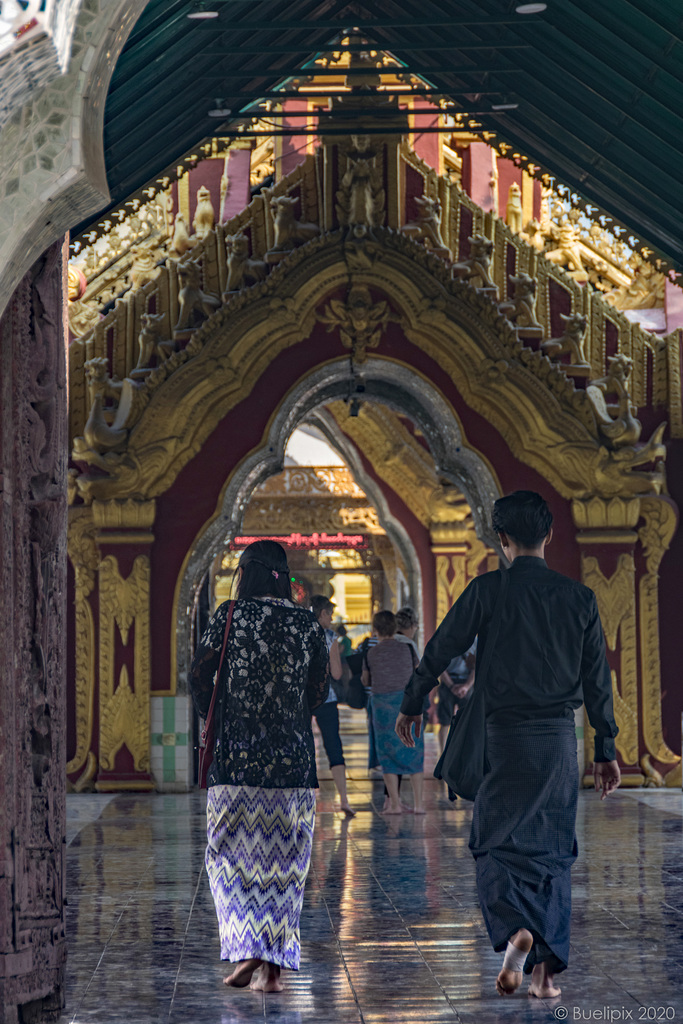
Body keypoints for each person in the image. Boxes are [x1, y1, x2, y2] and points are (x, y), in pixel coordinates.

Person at [396, 491, 620, 998]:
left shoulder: (488, 590)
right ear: (550, 535)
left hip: (503, 736)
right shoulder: (579, 598)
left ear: (501, 539)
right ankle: (544, 976)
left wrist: (413, 700)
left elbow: (440, 649)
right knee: (553, 849)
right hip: (560, 741)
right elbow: (597, 680)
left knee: (495, 842)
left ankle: (514, 929)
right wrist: (605, 748)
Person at [190, 540, 329, 993]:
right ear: (283, 577)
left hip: (236, 760)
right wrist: (290, 713)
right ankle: (272, 971)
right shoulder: (307, 622)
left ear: (245, 574)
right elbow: (319, 687)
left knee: (229, 858)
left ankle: (247, 946)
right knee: (287, 864)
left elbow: (199, 675)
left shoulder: (230, 615)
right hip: (292, 761)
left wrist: (217, 712)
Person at [363, 610, 425, 815]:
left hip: (382, 706)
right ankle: (418, 805)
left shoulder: (372, 652)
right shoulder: (407, 648)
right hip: (407, 703)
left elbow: (366, 680)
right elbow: (418, 673)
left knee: (387, 753)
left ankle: (395, 805)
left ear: (376, 629)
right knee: (414, 750)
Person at [311, 595, 355, 817]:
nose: (331, 618)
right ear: (323, 614)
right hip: (326, 698)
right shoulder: (330, 637)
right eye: (330, 613)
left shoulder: (299, 634)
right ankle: (344, 800)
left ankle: (304, 802)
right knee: (333, 746)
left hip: (302, 700)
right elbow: (337, 673)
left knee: (304, 746)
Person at [436, 640, 477, 753]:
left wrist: (466, 686)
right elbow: (439, 665)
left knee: (469, 721)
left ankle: (467, 754)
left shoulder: (476, 642)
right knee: (445, 721)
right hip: (448, 682)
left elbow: (478, 667)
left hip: (467, 682)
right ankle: (443, 754)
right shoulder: (445, 640)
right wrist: (451, 685)